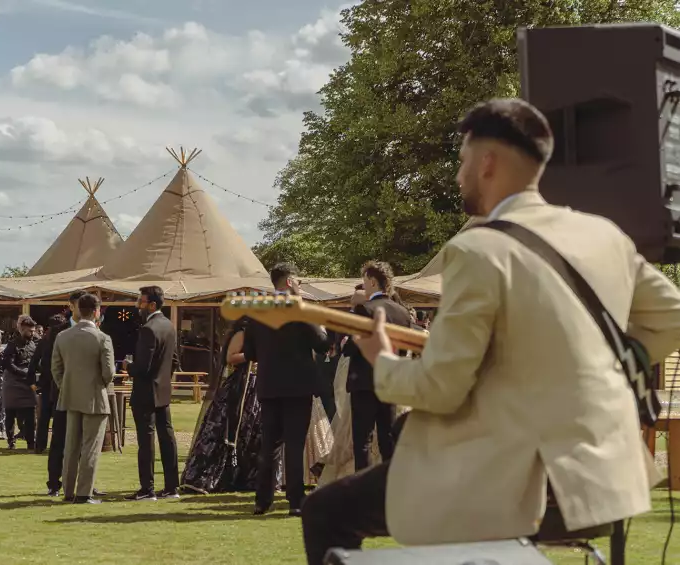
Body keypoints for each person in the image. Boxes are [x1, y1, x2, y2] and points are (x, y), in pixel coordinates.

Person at [300, 98, 680, 564]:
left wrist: (384, 362)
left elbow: (441, 389)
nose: (459, 175)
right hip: (602, 484)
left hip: (512, 485)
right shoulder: (604, 235)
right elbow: (672, 315)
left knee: (325, 511)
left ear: (488, 163)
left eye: (462, 161)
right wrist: (618, 361)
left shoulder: (478, 250)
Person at [243, 263, 330, 517]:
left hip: (269, 385)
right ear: (290, 282)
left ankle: (262, 500)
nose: (300, 286)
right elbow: (322, 344)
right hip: (298, 385)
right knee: (294, 444)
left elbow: (249, 352)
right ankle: (294, 500)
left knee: (269, 445)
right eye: (299, 281)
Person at [181, 318, 273, 493]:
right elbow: (231, 357)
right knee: (227, 429)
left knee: (255, 433)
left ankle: (249, 478)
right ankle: (219, 475)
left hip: (260, 386)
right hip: (242, 386)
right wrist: (253, 355)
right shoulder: (243, 333)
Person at [342, 261, 411, 471]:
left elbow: (352, 347)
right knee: (388, 437)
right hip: (391, 380)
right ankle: (390, 488)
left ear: (372, 281)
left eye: (364, 281)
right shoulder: (402, 312)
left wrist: (346, 344)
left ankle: (363, 494)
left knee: (363, 441)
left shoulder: (366, 308)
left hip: (364, 381)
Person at [51, 293, 115, 504]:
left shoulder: (63, 337)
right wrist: (99, 386)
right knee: (90, 447)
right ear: (97, 312)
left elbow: (56, 369)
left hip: (70, 397)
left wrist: (67, 386)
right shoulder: (102, 338)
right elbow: (109, 372)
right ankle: (84, 493)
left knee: (71, 446)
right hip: (95, 397)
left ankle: (68, 491)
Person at [125, 285, 179, 501]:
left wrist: (128, 366)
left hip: (146, 391)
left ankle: (147, 489)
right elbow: (175, 360)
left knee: (146, 441)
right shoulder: (169, 326)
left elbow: (142, 367)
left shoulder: (149, 329)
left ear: (152, 305)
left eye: (141, 301)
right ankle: (171, 487)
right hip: (163, 390)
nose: (138, 305)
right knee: (167, 437)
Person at [29, 314, 67, 454]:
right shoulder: (62, 340)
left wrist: (32, 381)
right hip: (57, 382)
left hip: (47, 381)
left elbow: (34, 362)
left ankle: (40, 445)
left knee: (44, 416)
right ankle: (57, 445)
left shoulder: (45, 341)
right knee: (58, 416)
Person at [2, 315, 39, 450]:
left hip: (27, 383)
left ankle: (31, 442)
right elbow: (8, 364)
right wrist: (25, 373)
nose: (33, 333)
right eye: (30, 331)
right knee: (10, 414)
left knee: (30, 413)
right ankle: (11, 441)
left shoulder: (33, 344)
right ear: (22, 330)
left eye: (34, 331)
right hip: (13, 383)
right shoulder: (12, 345)